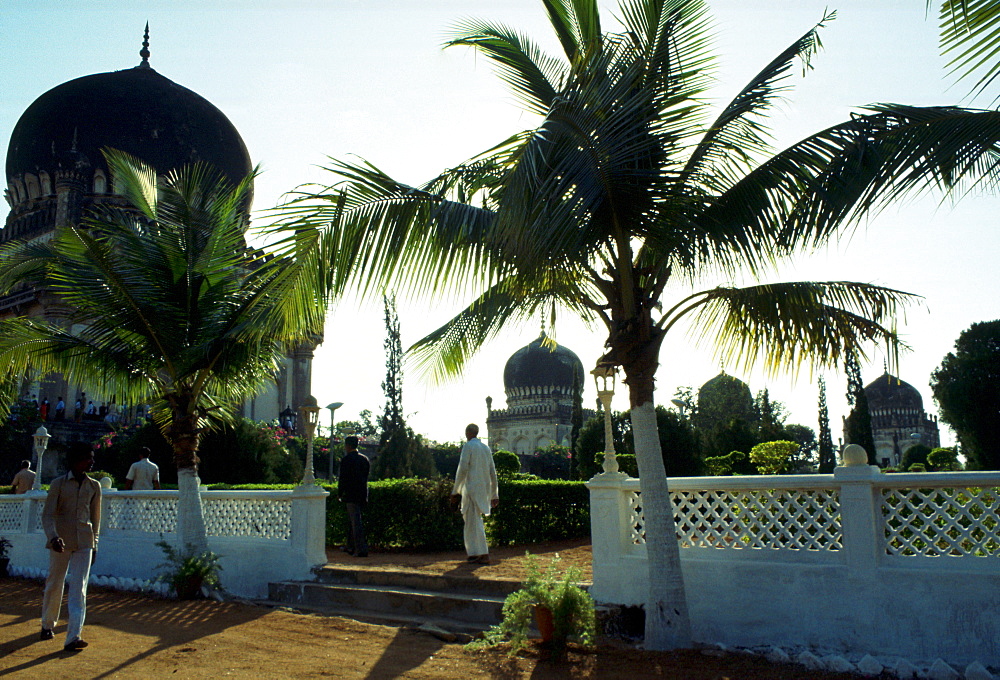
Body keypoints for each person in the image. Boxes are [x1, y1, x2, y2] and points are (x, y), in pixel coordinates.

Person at [40, 442, 101, 652]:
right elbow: (48, 514)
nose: (92, 461)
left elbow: (95, 518)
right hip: (60, 543)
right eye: (88, 457)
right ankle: (47, 624)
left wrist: (95, 543)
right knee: (55, 584)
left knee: (79, 588)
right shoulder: (58, 484)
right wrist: (53, 537)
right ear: (77, 460)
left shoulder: (94, 486)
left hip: (85, 542)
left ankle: (74, 636)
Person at [451, 423, 499, 565]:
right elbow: (492, 472)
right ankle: (473, 553)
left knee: (474, 521)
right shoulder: (485, 448)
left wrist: (455, 491)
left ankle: (482, 553)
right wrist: (494, 494)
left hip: (471, 489)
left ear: (467, 433)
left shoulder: (469, 446)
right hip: (482, 489)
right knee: (471, 521)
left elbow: (463, 468)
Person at [337, 435, 370, 557]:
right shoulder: (364, 459)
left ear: (348, 446)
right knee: (354, 521)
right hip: (361, 493)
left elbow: (343, 479)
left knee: (355, 522)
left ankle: (360, 549)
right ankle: (350, 546)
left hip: (351, 494)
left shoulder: (346, 460)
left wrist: (340, 493)